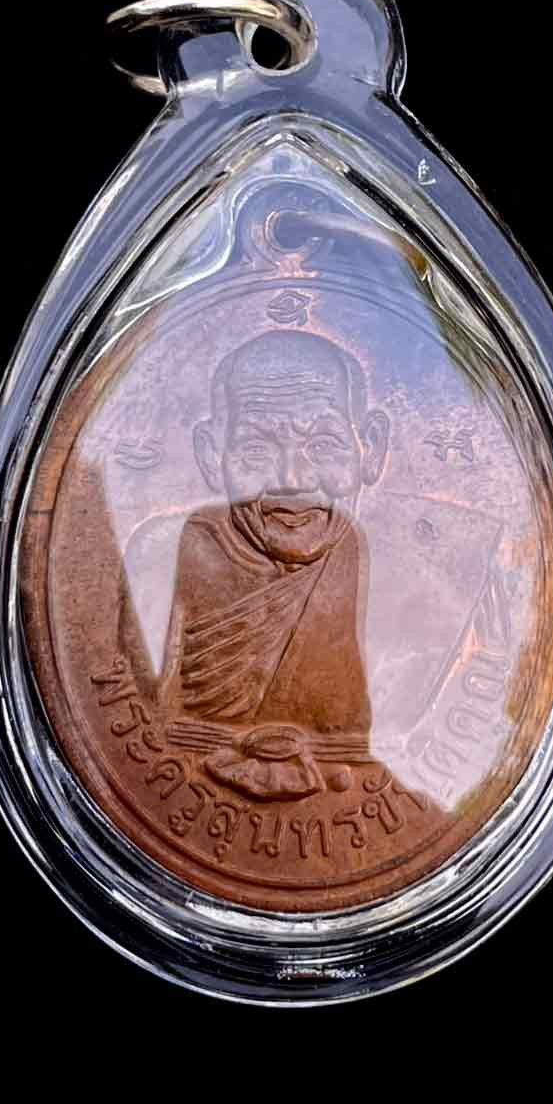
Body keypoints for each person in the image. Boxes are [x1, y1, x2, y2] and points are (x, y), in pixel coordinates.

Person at [116, 329, 390, 800]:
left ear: (371, 447)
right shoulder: (164, 557)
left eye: (323, 445)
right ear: (212, 455)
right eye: (257, 449)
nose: (292, 479)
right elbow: (131, 706)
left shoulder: (432, 575)